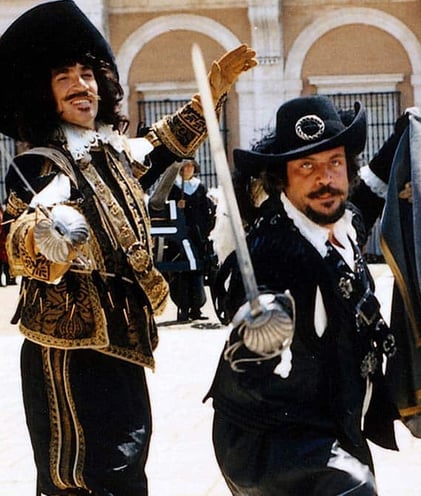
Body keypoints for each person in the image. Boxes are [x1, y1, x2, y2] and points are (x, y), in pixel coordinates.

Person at [0, 2, 256, 494]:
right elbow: (16, 230)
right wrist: (44, 235)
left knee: (127, 462)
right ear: (43, 94)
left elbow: (163, 145)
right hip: (68, 347)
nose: (81, 85)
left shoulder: (111, 153)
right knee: (78, 475)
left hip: (123, 339)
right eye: (64, 78)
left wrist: (210, 94)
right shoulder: (36, 164)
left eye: (86, 74)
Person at [204, 95, 398, 495]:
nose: (325, 178)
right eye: (306, 166)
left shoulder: (344, 222)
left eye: (334, 163)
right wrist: (261, 323)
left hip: (334, 423)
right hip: (269, 437)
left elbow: (367, 198)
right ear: (283, 179)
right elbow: (252, 300)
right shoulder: (272, 250)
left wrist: (403, 136)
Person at [167, 159, 217, 321]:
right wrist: (177, 205)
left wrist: (205, 231)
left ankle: (196, 308)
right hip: (180, 235)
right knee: (181, 271)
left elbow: (206, 211)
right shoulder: (174, 187)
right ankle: (183, 307)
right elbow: (167, 208)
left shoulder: (199, 187)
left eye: (191, 166)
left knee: (196, 270)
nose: (188, 169)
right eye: (185, 166)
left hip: (197, 235)